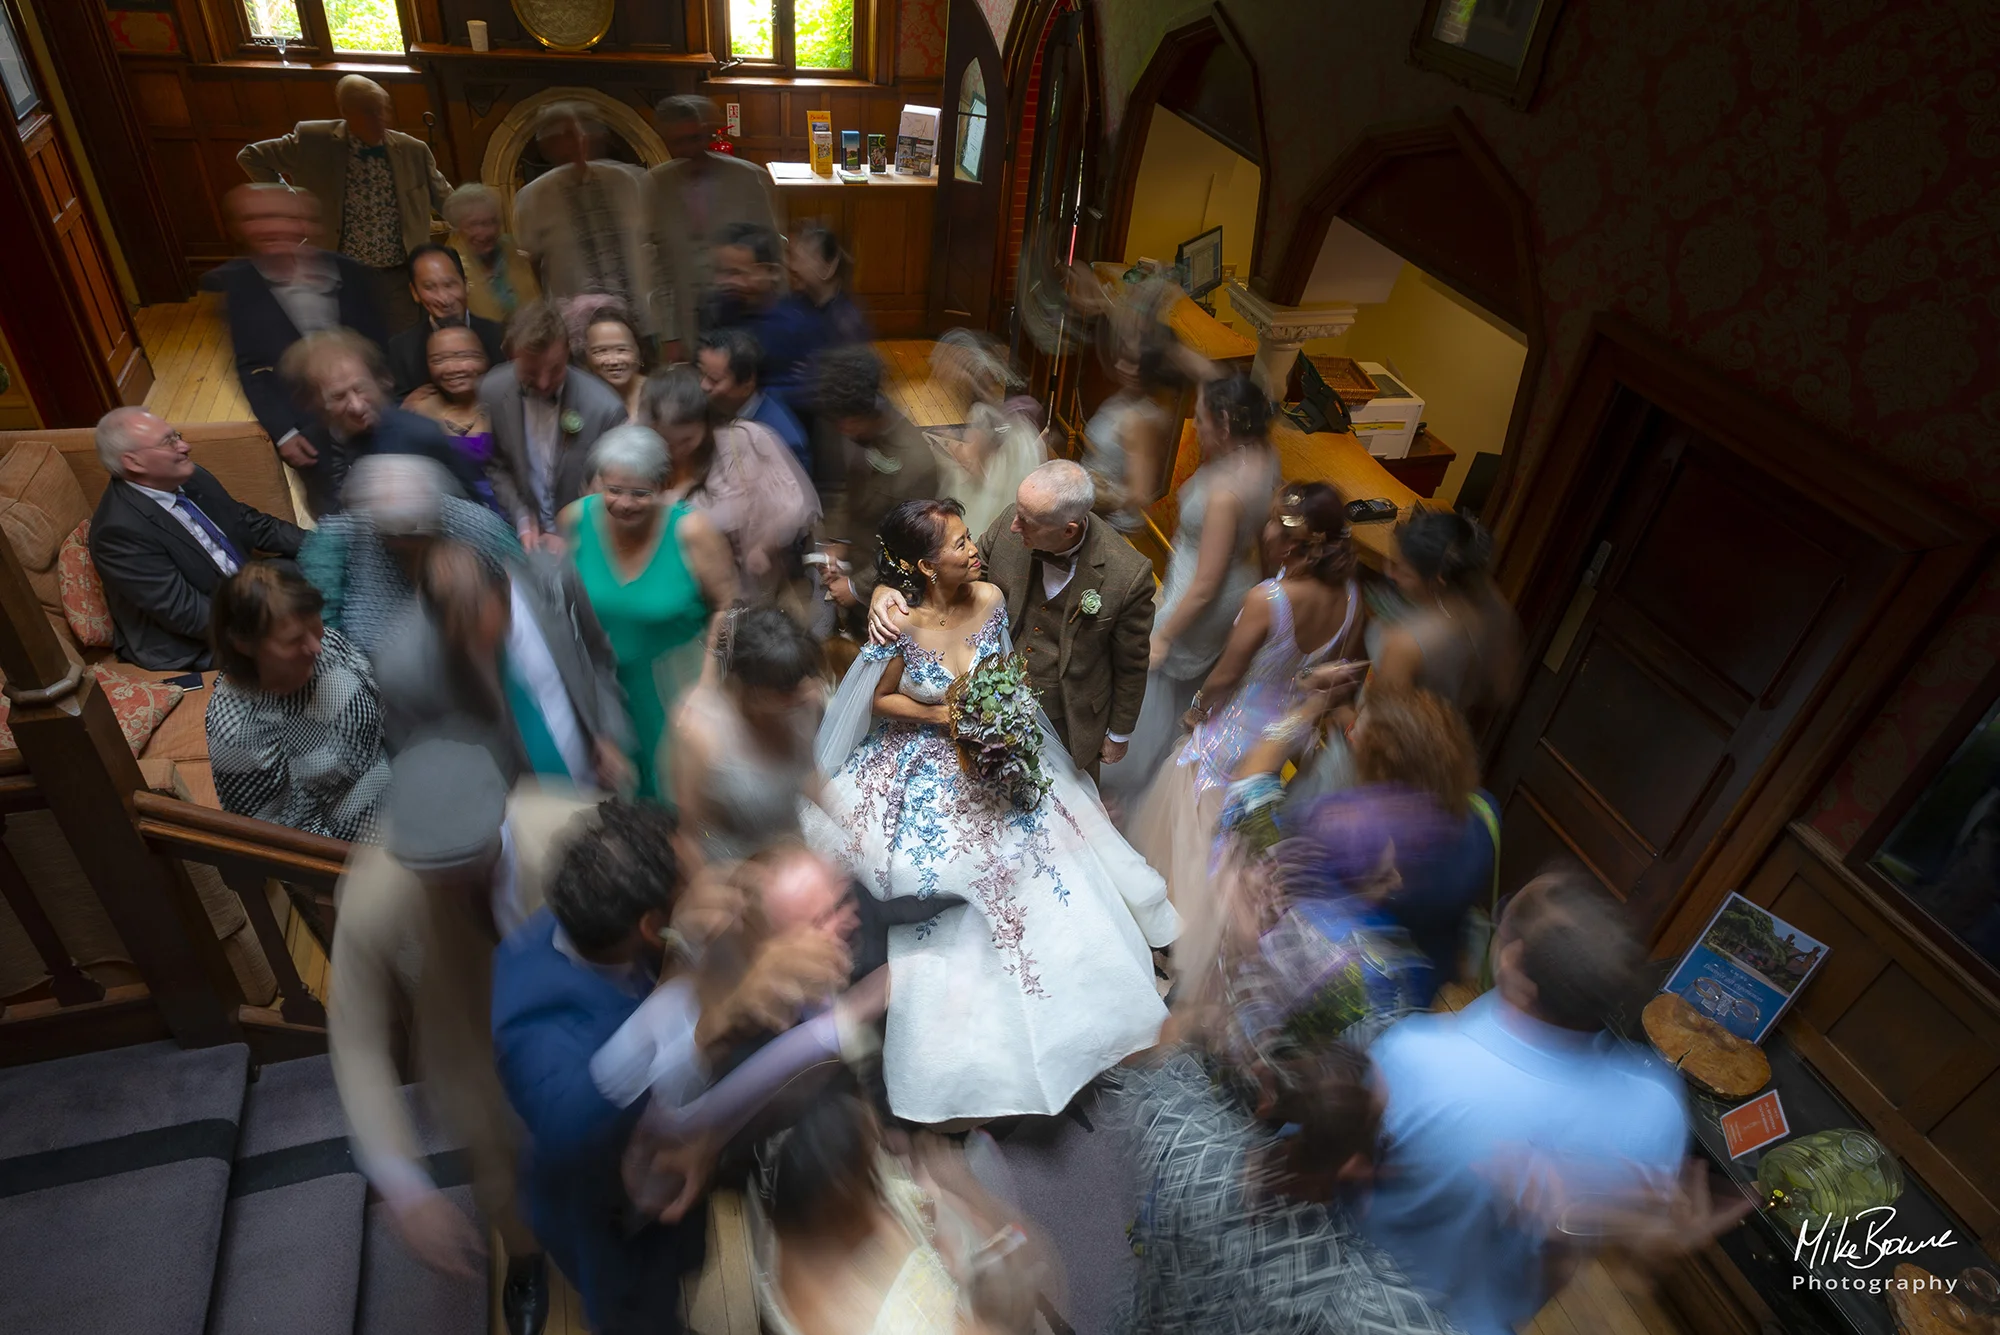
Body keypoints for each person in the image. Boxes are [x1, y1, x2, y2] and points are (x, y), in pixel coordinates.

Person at [802, 499, 1178, 1124]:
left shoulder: (989, 602)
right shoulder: (899, 625)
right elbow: (879, 701)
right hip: (917, 765)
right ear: (924, 566)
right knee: (942, 875)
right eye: (958, 544)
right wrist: (943, 717)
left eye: (969, 537)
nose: (975, 549)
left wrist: (993, 722)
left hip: (992, 754)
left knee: (1046, 865)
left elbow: (1001, 669)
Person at [491, 802, 871, 1335]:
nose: (710, 887)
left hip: (674, 1190)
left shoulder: (602, 910)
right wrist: (718, 1021)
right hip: (605, 1213)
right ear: (651, 927)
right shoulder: (537, 1033)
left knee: (678, 1261)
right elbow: (586, 1116)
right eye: (691, 883)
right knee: (638, 1313)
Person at [1362, 871, 1698, 1335]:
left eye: (1505, 922)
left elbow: (1320, 1166)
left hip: (1358, 1301)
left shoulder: (1414, 1057)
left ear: (1513, 961)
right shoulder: (1659, 1107)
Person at [328, 741, 576, 1335]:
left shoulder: (576, 829)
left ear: (501, 820)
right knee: (503, 1179)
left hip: (579, 1039)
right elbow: (356, 1039)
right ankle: (526, 1260)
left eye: (469, 869)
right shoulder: (372, 894)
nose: (454, 893)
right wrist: (402, 1179)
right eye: (434, 879)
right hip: (472, 1058)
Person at [1131, 482, 1364, 961]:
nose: (1266, 527)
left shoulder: (1270, 598)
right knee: (1239, 830)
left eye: (1275, 520)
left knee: (1194, 820)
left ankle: (1176, 929)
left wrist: (1196, 708)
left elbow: (1229, 674)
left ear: (1295, 541)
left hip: (1236, 727)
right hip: (1285, 729)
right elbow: (1322, 675)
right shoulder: (1352, 599)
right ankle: (1220, 927)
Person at [1115, 1029, 1457, 1335]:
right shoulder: (1338, 1289)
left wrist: (1201, 1005)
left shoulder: (1189, 1144)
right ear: (1354, 1166)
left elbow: (1147, 1060)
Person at [866, 461, 1152, 780]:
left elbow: (1132, 663)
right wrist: (886, 588)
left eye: (1026, 522)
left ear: (1068, 530)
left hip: (1068, 714)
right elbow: (948, 578)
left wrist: (1119, 734)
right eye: (1016, 513)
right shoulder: (1011, 524)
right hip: (986, 708)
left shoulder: (1128, 575)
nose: (1014, 526)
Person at [1101, 373, 1281, 805]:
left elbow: (1205, 584)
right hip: (1237, 579)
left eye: (1199, 419)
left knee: (1156, 682)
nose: (1194, 426)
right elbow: (1264, 536)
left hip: (1202, 599)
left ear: (1222, 423)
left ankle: (1128, 780)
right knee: (1180, 687)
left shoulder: (1223, 493)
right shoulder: (1262, 455)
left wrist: (1163, 634)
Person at [560, 424, 739, 802]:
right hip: (603, 691)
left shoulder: (692, 532)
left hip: (674, 689)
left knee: (676, 797)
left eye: (639, 493)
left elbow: (727, 607)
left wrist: (707, 687)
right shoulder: (574, 520)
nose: (624, 503)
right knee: (610, 800)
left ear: (663, 487)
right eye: (613, 490)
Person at [374, 541, 634, 794]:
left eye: (496, 636)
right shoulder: (402, 674)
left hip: (597, 790)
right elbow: (423, 778)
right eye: (473, 644)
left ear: (507, 586)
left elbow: (597, 657)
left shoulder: (553, 579)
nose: (487, 655)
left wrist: (608, 732)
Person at [88, 407, 305, 671]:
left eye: (176, 435)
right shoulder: (118, 531)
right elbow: (185, 612)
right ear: (133, 462)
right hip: (195, 638)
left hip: (240, 587)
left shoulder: (189, 476)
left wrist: (325, 545)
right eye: (169, 442)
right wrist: (273, 624)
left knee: (332, 569)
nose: (185, 446)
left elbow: (248, 523)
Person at [237, 74, 450, 333]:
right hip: (339, 273)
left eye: (383, 110)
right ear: (346, 112)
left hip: (400, 272)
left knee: (405, 340)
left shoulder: (413, 150)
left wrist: (475, 217)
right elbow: (251, 157)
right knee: (352, 339)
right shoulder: (312, 140)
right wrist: (290, 200)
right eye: (369, 112)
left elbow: (444, 198)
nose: (380, 119)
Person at [206, 562, 388, 842]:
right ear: (245, 645)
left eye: (315, 622)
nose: (317, 646)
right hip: (348, 847)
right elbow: (282, 842)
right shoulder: (238, 730)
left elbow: (382, 708)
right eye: (293, 640)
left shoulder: (323, 648)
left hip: (397, 785)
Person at [214, 183, 386, 465]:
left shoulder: (352, 273)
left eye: (280, 216)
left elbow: (382, 346)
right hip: (310, 438)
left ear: (306, 222)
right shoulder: (237, 287)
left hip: (374, 418)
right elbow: (250, 367)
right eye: (254, 219)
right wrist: (284, 433)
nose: (269, 228)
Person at [298, 453, 520, 656]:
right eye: (396, 536)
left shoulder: (478, 527)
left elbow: (530, 590)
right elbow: (325, 633)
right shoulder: (339, 540)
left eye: (416, 534)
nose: (407, 543)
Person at [641, 365, 817, 593]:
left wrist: (764, 546)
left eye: (686, 440)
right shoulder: (640, 454)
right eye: (667, 442)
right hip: (668, 590)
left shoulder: (743, 442)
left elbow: (793, 504)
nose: (677, 451)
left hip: (737, 591)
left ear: (706, 422)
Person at [279, 327, 489, 516]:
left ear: (380, 382)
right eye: (338, 397)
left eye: (361, 388)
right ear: (314, 402)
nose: (357, 406)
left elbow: (473, 512)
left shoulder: (420, 433)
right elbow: (324, 516)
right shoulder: (309, 450)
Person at [672, 607, 826, 862]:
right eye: (786, 691)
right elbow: (688, 835)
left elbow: (807, 772)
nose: (804, 694)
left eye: (804, 680)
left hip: (791, 858)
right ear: (751, 691)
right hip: (732, 869)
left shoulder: (804, 703)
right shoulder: (701, 731)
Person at [483, 300, 629, 546]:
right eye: (530, 372)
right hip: (525, 542)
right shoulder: (492, 391)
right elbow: (497, 465)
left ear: (567, 350)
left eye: (555, 369)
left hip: (589, 541)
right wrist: (522, 520)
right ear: (510, 355)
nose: (543, 383)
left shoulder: (605, 409)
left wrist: (573, 536)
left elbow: (616, 490)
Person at [645, 96, 781, 360]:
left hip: (745, 318)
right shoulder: (654, 185)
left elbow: (772, 251)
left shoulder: (747, 178)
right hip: (686, 321)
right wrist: (669, 335)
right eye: (678, 142)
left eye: (695, 138)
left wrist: (774, 316)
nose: (689, 149)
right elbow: (656, 267)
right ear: (664, 141)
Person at [813, 346, 940, 627]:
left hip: (891, 591)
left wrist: (857, 588)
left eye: (843, 423)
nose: (840, 431)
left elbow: (911, 547)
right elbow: (852, 491)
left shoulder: (916, 462)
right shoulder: (859, 431)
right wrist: (839, 543)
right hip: (855, 563)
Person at [1375, 507, 1522, 733]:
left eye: (1403, 571)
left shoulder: (1406, 644)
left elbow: (1381, 734)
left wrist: (1339, 711)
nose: (1392, 575)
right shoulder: (1495, 611)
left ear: (1437, 579)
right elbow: (1503, 689)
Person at [509, 103, 650, 327]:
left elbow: (648, 242)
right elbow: (532, 265)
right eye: (564, 136)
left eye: (578, 132)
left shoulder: (626, 180)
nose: (576, 140)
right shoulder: (533, 197)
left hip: (637, 313)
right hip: (578, 323)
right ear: (547, 147)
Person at [926, 330, 1047, 538]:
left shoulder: (981, 414)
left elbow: (977, 471)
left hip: (992, 488)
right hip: (1010, 473)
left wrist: (953, 448)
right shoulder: (1002, 410)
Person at [1079, 323, 1187, 533]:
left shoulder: (1139, 420)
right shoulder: (1123, 397)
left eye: (1129, 362)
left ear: (1146, 371)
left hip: (1108, 524)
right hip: (1089, 508)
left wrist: (1100, 495)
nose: (1119, 365)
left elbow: (1140, 493)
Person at [401, 324, 501, 513]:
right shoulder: (416, 412)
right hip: (452, 521)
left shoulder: (505, 403)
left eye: (465, 356)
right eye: (438, 360)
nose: (453, 368)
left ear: (485, 359)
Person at [386, 243, 506, 401]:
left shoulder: (500, 337)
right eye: (430, 288)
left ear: (465, 284)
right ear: (414, 292)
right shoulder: (402, 349)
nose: (444, 298)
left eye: (449, 285)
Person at [773, 222, 872, 412]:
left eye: (803, 257)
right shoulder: (791, 305)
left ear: (829, 265)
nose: (791, 265)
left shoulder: (846, 320)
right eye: (792, 256)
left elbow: (849, 387)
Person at [697, 326, 810, 471]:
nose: (703, 385)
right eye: (700, 373)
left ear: (747, 385)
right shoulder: (706, 408)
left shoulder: (784, 441)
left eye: (714, 379)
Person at [444, 182, 540, 323]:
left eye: (492, 222)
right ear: (457, 228)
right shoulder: (449, 268)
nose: (487, 232)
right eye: (475, 224)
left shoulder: (515, 252)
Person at [573, 298, 648, 422]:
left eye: (622, 350)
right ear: (587, 356)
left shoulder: (661, 392)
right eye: (600, 351)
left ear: (638, 351)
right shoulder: (581, 400)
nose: (613, 361)